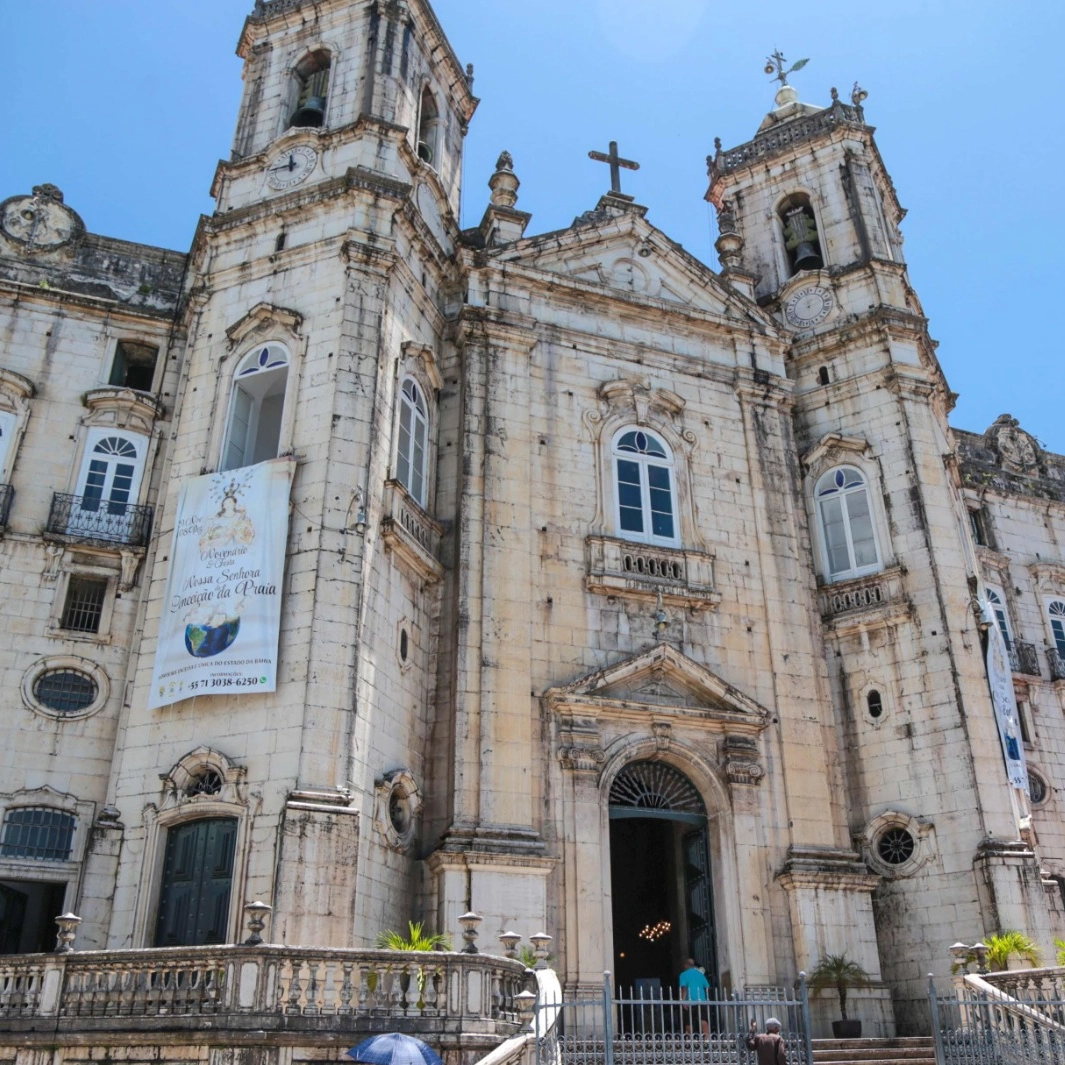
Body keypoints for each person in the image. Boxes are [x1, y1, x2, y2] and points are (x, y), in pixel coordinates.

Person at [678, 958, 710, 1035]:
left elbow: (684, 988)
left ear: (686, 965)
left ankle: (690, 1041)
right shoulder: (700, 974)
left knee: (689, 1022)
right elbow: (707, 987)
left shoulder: (683, 975)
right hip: (701, 1000)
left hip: (689, 1001)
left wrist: (683, 1001)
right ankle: (707, 1038)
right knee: (703, 1020)